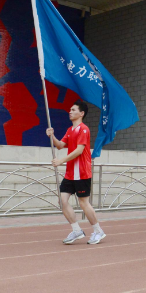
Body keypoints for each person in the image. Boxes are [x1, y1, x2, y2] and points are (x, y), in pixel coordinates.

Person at [47, 101, 105, 245]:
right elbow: (60, 145)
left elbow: (79, 150)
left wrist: (61, 161)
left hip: (82, 172)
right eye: (70, 109)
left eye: (73, 110)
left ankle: (98, 231)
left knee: (83, 203)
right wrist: (52, 136)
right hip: (70, 173)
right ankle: (76, 230)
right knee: (62, 200)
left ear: (81, 113)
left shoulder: (83, 129)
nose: (70, 112)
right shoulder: (70, 130)